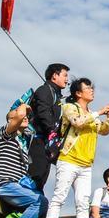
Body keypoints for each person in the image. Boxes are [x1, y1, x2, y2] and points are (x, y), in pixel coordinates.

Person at [44, 78, 109, 218]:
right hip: (68, 159)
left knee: (83, 201)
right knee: (59, 196)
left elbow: (104, 130)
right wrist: (98, 112)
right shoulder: (70, 107)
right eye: (88, 88)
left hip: (86, 163)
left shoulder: (92, 114)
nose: (92, 90)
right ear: (78, 93)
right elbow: (78, 122)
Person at [0, 95, 50, 218]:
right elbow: (19, 114)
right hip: (2, 182)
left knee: (43, 206)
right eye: (23, 116)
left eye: (28, 116)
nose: (26, 117)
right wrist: (24, 106)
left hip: (14, 185)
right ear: (11, 120)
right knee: (39, 202)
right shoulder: (5, 133)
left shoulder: (23, 141)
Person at [26, 63, 69, 192]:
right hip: (37, 142)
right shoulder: (44, 90)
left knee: (42, 178)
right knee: (35, 176)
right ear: (54, 76)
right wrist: (52, 132)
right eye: (64, 75)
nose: (67, 79)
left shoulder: (57, 95)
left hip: (47, 144)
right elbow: (43, 113)